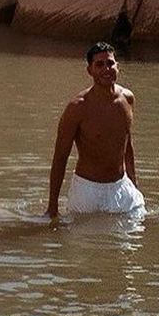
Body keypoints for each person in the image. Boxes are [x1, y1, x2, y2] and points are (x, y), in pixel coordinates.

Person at [45, 41, 145, 216]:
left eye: (110, 63)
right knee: (87, 242)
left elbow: (127, 145)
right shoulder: (77, 107)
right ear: (89, 70)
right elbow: (60, 157)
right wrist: (52, 207)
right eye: (99, 64)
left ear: (118, 66)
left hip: (121, 186)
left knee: (133, 239)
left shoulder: (127, 99)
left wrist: (134, 185)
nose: (106, 69)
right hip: (88, 191)